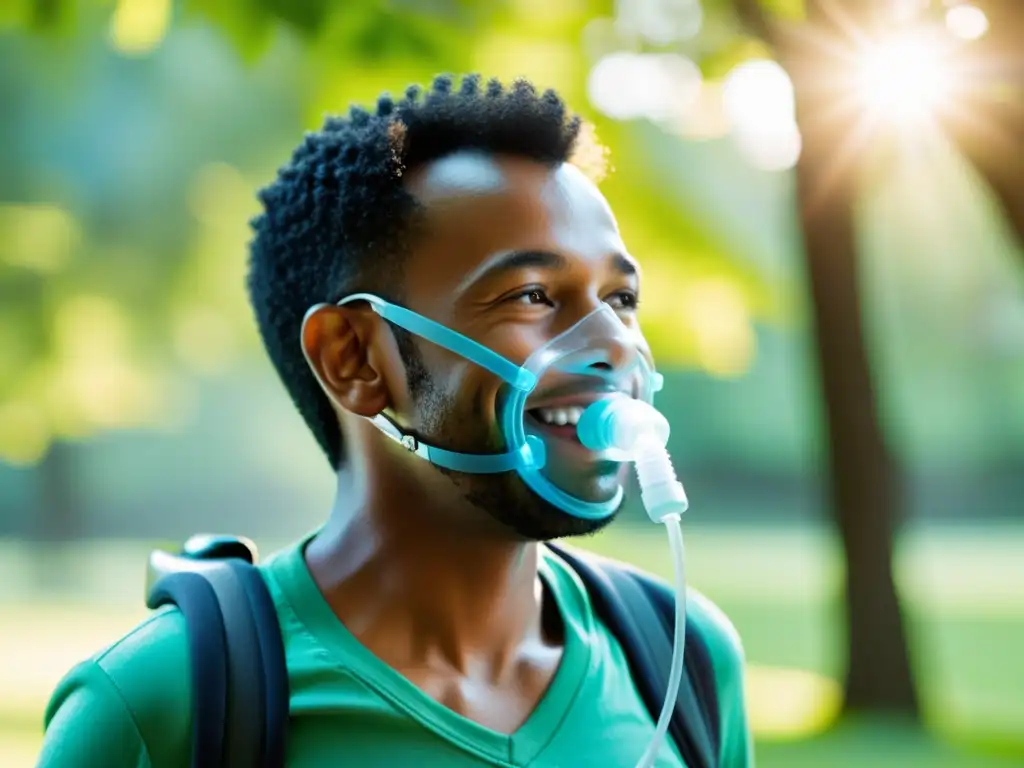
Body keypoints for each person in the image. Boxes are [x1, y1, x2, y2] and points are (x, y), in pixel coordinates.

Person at [38, 74, 753, 767]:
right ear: (354, 358)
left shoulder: (682, 660)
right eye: (533, 295)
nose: (613, 345)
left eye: (620, 299)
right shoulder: (158, 705)